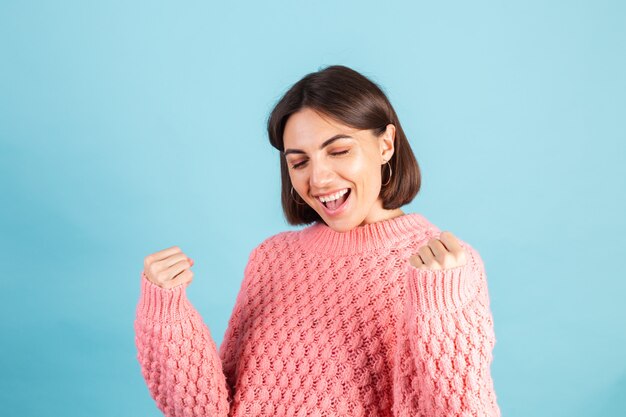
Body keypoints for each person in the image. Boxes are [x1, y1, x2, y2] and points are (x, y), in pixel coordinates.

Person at [135, 65, 501, 416]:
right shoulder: (271, 259)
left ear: (386, 144)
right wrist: (165, 313)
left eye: (339, 151)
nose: (319, 179)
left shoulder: (443, 271)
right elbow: (207, 409)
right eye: (299, 162)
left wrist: (440, 308)